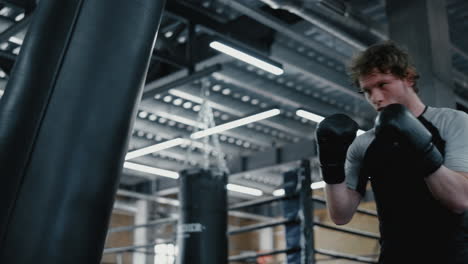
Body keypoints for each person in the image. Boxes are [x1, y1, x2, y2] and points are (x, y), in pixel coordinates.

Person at [315, 41, 468, 264]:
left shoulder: (452, 122)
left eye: (383, 84)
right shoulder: (364, 144)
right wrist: (330, 165)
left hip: (453, 256)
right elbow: (340, 215)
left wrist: (420, 146)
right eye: (367, 91)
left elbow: (460, 200)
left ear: (408, 77)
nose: (375, 98)